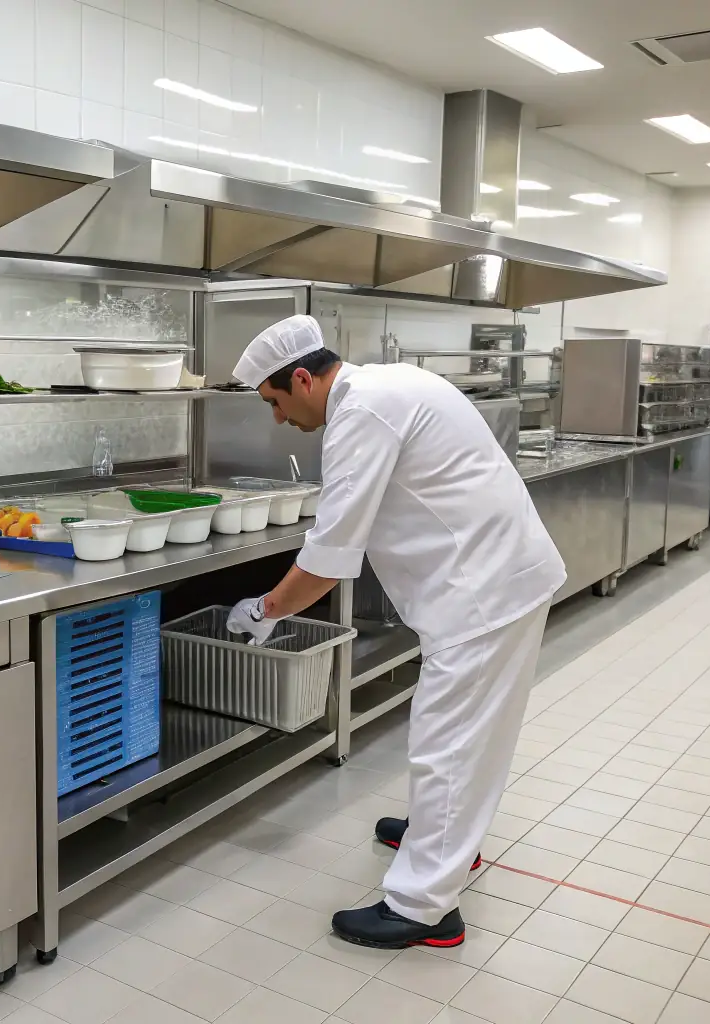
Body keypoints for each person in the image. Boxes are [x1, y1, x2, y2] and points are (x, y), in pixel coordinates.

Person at [224, 314, 565, 950]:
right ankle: (441, 842)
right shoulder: (388, 384)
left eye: (275, 402)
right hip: (497, 578)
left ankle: (424, 908)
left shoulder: (362, 414)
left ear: (302, 378)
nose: (277, 419)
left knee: (450, 743)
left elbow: (328, 558)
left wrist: (265, 609)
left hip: (482, 596)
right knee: (466, 738)